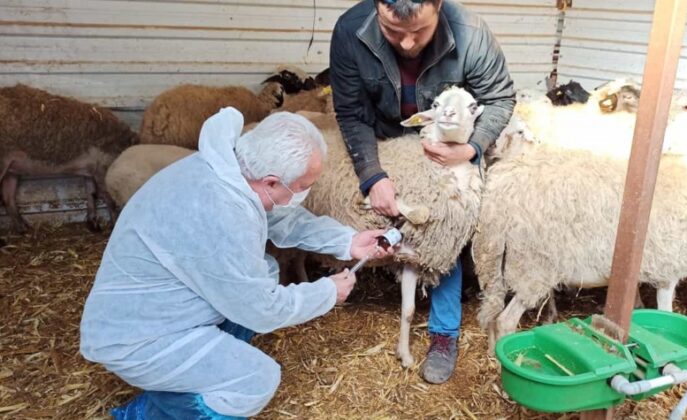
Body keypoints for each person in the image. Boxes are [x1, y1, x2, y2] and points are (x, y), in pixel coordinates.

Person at [79, 108, 393, 419]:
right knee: (255, 380)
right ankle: (154, 414)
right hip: (141, 336)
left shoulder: (228, 169)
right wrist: (325, 293)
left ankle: (182, 383)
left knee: (266, 268)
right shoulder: (221, 211)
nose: (304, 193)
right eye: (301, 187)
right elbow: (261, 309)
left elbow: (279, 216)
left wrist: (345, 241)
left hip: (159, 304)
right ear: (271, 182)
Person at [330, 0, 515, 384]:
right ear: (379, 6)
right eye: (394, 32)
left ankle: (443, 333)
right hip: (387, 136)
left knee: (446, 227)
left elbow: (500, 98)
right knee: (379, 213)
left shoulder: (472, 34)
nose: (409, 43)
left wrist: (471, 147)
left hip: (449, 141)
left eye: (421, 31)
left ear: (438, 5)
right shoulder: (351, 30)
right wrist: (371, 174)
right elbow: (350, 111)